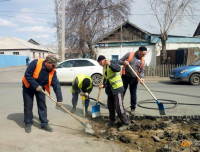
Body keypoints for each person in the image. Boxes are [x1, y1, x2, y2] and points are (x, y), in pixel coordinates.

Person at [22, 56, 63, 133]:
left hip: (40, 89)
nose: (53, 67)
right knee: (28, 105)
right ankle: (28, 123)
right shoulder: (35, 63)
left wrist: (59, 99)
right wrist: (36, 85)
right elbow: (27, 75)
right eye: (52, 65)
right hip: (28, 87)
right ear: (47, 62)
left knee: (42, 105)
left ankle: (44, 124)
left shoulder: (52, 71)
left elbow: (56, 85)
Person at [97, 55, 130, 132]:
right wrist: (103, 85)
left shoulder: (112, 62)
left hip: (117, 88)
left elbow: (118, 69)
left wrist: (109, 64)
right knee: (111, 106)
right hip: (110, 90)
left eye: (99, 63)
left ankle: (126, 123)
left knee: (119, 106)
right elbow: (106, 79)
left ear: (102, 61)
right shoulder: (104, 68)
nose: (100, 64)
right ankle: (113, 121)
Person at [118, 46, 147, 115]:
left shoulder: (142, 60)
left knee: (133, 94)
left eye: (145, 54)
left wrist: (142, 78)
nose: (144, 55)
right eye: (143, 54)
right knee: (122, 93)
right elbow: (119, 61)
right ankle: (120, 107)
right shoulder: (129, 54)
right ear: (139, 51)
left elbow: (142, 71)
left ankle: (133, 108)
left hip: (134, 79)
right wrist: (124, 63)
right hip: (125, 77)